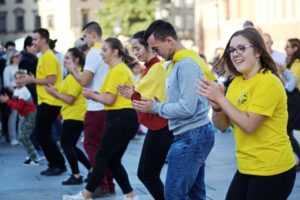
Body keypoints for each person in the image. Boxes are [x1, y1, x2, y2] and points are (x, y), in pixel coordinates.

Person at [198, 28, 296, 200]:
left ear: (258, 51)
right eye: (232, 50)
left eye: (241, 48)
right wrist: (217, 106)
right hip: (246, 167)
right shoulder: (236, 83)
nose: (235, 54)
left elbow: (249, 125)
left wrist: (221, 99)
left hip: (273, 170)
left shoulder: (269, 82)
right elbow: (221, 126)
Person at [132, 20, 215, 200]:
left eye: (156, 48)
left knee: (174, 194)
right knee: (195, 193)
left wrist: (155, 107)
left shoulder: (186, 64)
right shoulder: (176, 63)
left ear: (169, 41)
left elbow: (187, 107)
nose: (155, 53)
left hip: (192, 135)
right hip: (190, 134)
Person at [63, 37, 139, 200]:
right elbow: (110, 97)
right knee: (112, 160)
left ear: (115, 52)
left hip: (120, 117)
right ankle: (131, 195)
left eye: (105, 50)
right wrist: (95, 95)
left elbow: (109, 99)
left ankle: (86, 194)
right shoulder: (116, 70)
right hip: (121, 117)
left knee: (102, 157)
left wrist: (92, 95)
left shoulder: (118, 70)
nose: (101, 54)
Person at [119, 30, 173, 200]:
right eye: (132, 49)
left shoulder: (156, 67)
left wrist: (132, 94)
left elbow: (148, 98)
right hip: (158, 125)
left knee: (146, 173)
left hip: (162, 125)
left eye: (137, 48)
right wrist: (133, 93)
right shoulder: (149, 68)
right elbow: (142, 95)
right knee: (147, 173)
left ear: (149, 46)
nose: (135, 52)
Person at [67, 21, 114, 195]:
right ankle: (108, 183)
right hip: (108, 106)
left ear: (93, 35)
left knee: (91, 146)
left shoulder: (94, 53)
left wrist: (73, 69)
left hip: (96, 107)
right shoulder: (107, 53)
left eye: (85, 36)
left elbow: (84, 81)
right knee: (104, 147)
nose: (84, 39)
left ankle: (101, 184)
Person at [19, 28, 66, 176]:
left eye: (36, 39)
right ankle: (56, 163)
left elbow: (51, 79)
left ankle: (57, 164)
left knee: (42, 134)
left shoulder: (48, 57)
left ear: (44, 40)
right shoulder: (44, 56)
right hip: (45, 100)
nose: (34, 42)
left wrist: (32, 80)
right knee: (43, 134)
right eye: (33, 40)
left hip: (51, 101)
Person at [45, 48, 91, 185]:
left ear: (76, 60)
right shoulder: (71, 76)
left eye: (67, 58)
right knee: (69, 145)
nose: (64, 61)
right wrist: (54, 90)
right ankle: (91, 169)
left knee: (66, 145)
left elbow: (70, 99)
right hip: (72, 115)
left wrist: (54, 93)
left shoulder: (76, 77)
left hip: (75, 116)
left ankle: (77, 175)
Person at [0, 70, 39, 165]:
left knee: (23, 137)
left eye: (21, 78)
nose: (19, 80)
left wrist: (7, 101)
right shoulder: (17, 90)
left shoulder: (23, 91)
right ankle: (32, 155)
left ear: (25, 80)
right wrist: (8, 100)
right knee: (24, 137)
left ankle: (34, 158)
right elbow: (15, 103)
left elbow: (18, 106)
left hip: (31, 115)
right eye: (17, 78)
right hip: (26, 115)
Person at [285, 38, 300, 170]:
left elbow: (290, 86)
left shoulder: (297, 64)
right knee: (287, 130)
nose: (286, 49)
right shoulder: (291, 63)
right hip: (294, 100)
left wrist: (280, 72)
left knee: (287, 130)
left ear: (295, 49)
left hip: (295, 100)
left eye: (288, 47)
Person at [3, 51, 20, 145]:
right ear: (12, 58)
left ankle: (21, 136)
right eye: (16, 56)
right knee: (13, 116)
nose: (18, 57)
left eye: (19, 56)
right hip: (12, 93)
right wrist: (15, 92)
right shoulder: (7, 68)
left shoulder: (22, 67)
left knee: (23, 117)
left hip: (23, 93)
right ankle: (13, 137)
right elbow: (6, 83)